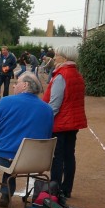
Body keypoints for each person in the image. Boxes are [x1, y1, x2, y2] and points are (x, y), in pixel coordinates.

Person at [0, 72, 54, 206]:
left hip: (7, 156)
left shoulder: (6, 101)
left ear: (25, 85)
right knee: (13, 160)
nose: (14, 86)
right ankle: (6, 195)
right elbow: (47, 136)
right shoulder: (48, 109)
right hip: (36, 161)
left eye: (17, 83)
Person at [42, 45, 87, 198]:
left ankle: (55, 189)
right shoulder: (77, 74)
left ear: (65, 58)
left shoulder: (62, 75)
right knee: (69, 155)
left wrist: (45, 119)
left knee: (57, 157)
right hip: (73, 122)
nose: (54, 58)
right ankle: (66, 189)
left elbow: (55, 104)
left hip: (61, 123)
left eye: (57, 56)